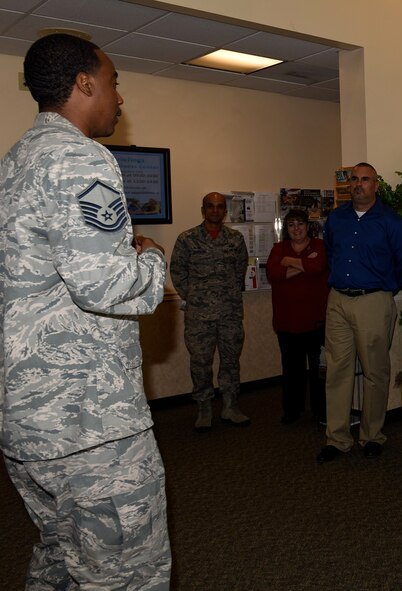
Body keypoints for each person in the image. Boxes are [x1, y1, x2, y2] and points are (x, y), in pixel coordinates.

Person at [0, 33, 171, 588]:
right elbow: (104, 285)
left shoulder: (16, 161)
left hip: (28, 422)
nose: (120, 99)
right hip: (89, 423)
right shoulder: (79, 157)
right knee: (126, 572)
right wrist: (152, 261)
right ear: (84, 82)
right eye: (115, 82)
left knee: (63, 558)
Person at [317, 162, 402, 462]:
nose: (359, 184)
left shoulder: (390, 221)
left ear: (376, 185)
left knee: (374, 372)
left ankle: (372, 435)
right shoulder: (336, 219)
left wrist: (386, 289)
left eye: (365, 179)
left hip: (374, 300)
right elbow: (330, 252)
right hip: (338, 301)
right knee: (337, 371)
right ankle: (337, 438)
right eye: (354, 179)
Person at [170, 192, 250, 432]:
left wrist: (227, 295)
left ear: (224, 211)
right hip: (199, 316)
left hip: (229, 313)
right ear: (203, 210)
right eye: (210, 206)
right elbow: (177, 271)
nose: (215, 211)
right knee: (200, 362)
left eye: (219, 207)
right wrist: (194, 296)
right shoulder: (187, 239)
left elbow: (240, 270)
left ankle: (230, 406)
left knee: (230, 361)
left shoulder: (235, 239)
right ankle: (204, 408)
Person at [266, 208, 330, 424]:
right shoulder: (278, 249)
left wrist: (289, 262)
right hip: (287, 322)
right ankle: (292, 411)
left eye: (300, 224)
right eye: (291, 224)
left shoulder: (320, 246)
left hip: (316, 322)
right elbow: (273, 274)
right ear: (287, 229)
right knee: (291, 370)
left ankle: (321, 412)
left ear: (308, 226)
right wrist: (304, 266)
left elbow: (319, 265)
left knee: (318, 371)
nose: (296, 228)